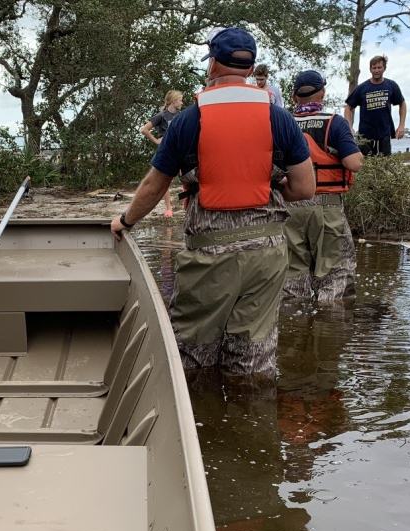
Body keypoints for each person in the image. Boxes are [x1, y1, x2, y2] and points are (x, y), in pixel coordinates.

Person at [111, 27, 315, 389]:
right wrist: (270, 184)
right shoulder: (278, 117)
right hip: (267, 255)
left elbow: (155, 186)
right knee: (252, 359)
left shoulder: (190, 118)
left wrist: (124, 221)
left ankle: (199, 428)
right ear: (250, 69)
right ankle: (251, 433)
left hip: (210, 252)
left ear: (214, 64)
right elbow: (305, 188)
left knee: (192, 355)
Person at [284, 70, 363, 302]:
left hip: (291, 207)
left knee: (291, 274)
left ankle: (294, 327)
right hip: (327, 207)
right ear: (322, 93)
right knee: (336, 273)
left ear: (294, 96)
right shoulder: (334, 123)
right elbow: (353, 163)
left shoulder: (282, 121)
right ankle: (331, 330)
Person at [343, 55, 406, 156]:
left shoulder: (391, 85)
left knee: (384, 165)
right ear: (370, 69)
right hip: (365, 136)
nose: (376, 70)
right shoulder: (362, 88)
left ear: (384, 68)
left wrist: (401, 125)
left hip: (384, 134)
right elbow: (348, 107)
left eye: (379, 67)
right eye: (374, 68)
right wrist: (349, 127)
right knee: (364, 165)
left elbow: (402, 103)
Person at [140, 90, 183, 218]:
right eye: (180, 99)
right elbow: (144, 129)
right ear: (174, 101)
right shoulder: (161, 116)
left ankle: (187, 202)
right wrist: (157, 141)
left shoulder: (181, 115)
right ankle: (169, 208)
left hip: (180, 150)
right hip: (166, 151)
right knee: (165, 180)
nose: (182, 102)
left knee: (187, 176)